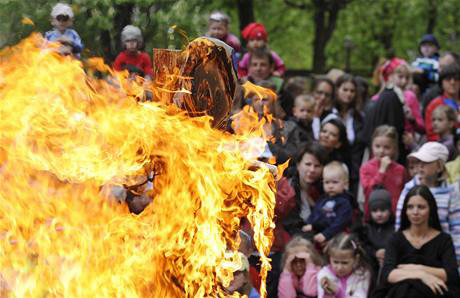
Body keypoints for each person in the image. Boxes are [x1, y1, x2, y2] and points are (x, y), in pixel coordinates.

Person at [374, 185, 460, 298]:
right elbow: (388, 274)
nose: (415, 212)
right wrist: (421, 275)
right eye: (410, 207)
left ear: (431, 209)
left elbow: (451, 274)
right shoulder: (395, 239)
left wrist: (419, 268)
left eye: (421, 207)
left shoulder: (444, 240)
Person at [395, 142, 460, 265]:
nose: (420, 166)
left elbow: (456, 228)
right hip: (411, 252)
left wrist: (456, 261)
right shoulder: (409, 188)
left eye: (426, 162)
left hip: (441, 254)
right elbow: (400, 222)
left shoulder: (451, 193)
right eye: (418, 162)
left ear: (439, 166)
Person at [360, 125, 406, 220]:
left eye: (387, 147)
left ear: (394, 149)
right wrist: (381, 171)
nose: (381, 151)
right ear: (372, 146)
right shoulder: (366, 168)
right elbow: (368, 191)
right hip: (373, 218)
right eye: (377, 146)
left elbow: (404, 194)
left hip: (395, 217)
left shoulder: (400, 170)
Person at [301, 161, 353, 246]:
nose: (330, 186)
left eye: (335, 182)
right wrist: (309, 224)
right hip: (318, 234)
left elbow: (340, 223)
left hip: (336, 237)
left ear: (345, 184)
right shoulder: (323, 199)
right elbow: (315, 214)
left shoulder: (345, 202)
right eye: (327, 182)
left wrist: (326, 234)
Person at [354, 188, 395, 275]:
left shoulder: (396, 228)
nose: (379, 214)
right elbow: (362, 246)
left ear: (389, 210)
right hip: (369, 270)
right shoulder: (365, 229)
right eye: (375, 211)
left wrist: (387, 253)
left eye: (383, 210)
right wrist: (374, 253)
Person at [317, 233, 372, 298]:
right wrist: (328, 294)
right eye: (335, 262)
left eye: (344, 263)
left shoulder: (362, 274)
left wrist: (338, 292)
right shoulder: (324, 274)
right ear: (329, 258)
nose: (339, 268)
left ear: (356, 259)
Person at [425, 64, 460, 141]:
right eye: (448, 79)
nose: (452, 82)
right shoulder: (434, 105)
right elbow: (431, 134)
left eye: (457, 79)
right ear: (441, 82)